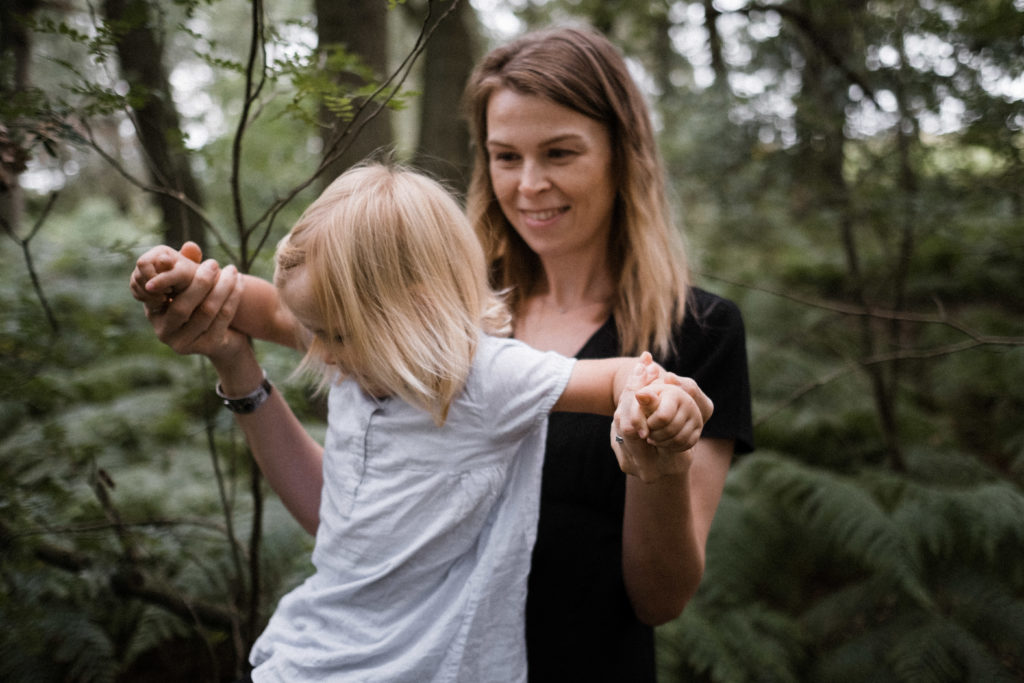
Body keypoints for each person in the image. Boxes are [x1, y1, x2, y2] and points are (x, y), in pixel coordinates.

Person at [133, 24, 754, 681]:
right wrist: (195, 297)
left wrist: (659, 462)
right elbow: (355, 514)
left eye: (560, 153)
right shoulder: (430, 303)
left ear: (623, 153)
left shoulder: (698, 331)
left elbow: (660, 597)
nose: (529, 183)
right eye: (505, 156)